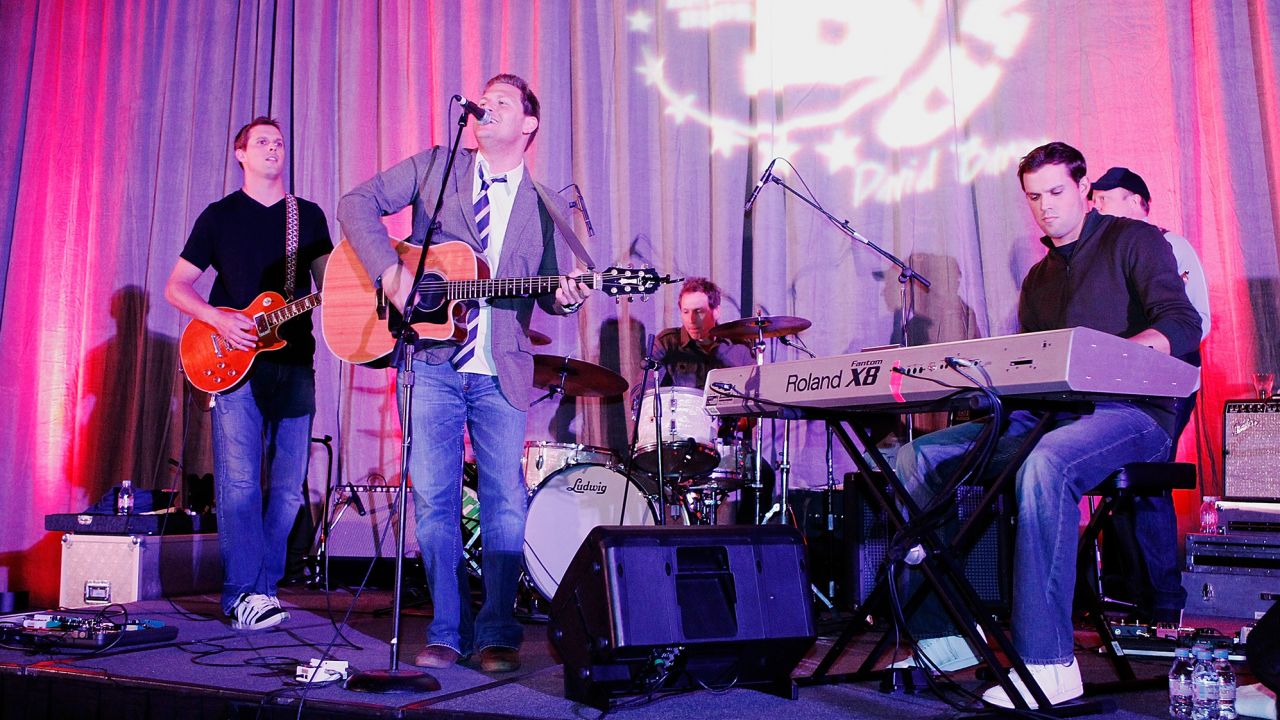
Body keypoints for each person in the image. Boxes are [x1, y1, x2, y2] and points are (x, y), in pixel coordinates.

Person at [890, 142, 1201, 707]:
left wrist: (1113, 359)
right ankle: (946, 637)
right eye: (1034, 197)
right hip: (1049, 416)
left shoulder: (1133, 241)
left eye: (1056, 193)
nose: (1045, 207)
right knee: (915, 458)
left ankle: (1050, 666)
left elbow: (1182, 323)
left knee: (1047, 464)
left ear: (1084, 189)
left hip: (1133, 414)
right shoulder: (1038, 279)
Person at [337, 73, 591, 673]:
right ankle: (448, 629)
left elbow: (552, 294)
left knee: (506, 502)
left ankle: (498, 630)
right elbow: (355, 204)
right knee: (434, 501)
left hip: (501, 368)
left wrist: (572, 296)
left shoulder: (546, 205)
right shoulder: (435, 166)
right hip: (430, 362)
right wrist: (393, 276)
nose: (486, 105)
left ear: (528, 125)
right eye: (484, 98)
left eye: (502, 101)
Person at [164, 117, 333, 630]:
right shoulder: (219, 217)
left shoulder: (306, 215)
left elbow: (330, 284)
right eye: (261, 142)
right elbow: (178, 287)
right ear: (240, 154)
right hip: (233, 364)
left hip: (294, 362)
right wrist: (219, 318)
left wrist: (370, 282)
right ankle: (242, 593)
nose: (272, 148)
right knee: (238, 484)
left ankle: (261, 589)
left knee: (286, 488)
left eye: (279, 143)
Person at [1091, 166, 1212, 625]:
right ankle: (1133, 595)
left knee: (1149, 484)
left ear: (1138, 201)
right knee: (1123, 485)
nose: (1097, 208)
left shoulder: (1169, 245)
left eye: (1107, 198)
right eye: (1095, 200)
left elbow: (1194, 320)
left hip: (1167, 387)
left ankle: (1165, 601)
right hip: (1118, 386)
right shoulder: (1103, 252)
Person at [651, 277, 754, 389]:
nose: (691, 320)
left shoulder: (739, 346)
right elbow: (641, 392)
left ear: (716, 312)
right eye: (686, 312)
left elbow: (755, 393)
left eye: (698, 311)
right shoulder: (666, 343)